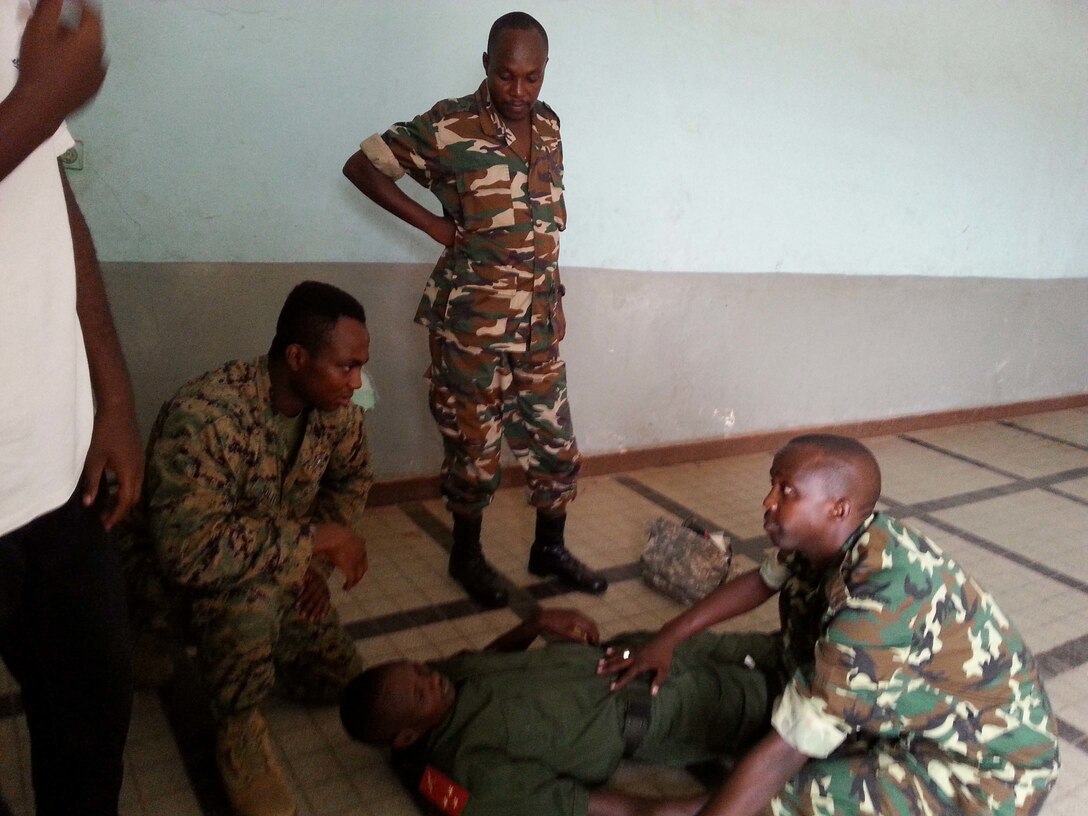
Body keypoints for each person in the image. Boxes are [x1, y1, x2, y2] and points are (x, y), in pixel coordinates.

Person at [600, 434, 1060, 816]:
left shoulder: (877, 603)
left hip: (985, 774)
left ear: (837, 508)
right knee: (719, 676)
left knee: (779, 798)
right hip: (897, 713)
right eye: (773, 485)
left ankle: (638, 809)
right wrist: (668, 638)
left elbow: (786, 750)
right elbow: (761, 582)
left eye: (787, 491)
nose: (768, 501)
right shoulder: (831, 535)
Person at [342, 11, 605, 609]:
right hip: (471, 326)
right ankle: (467, 556)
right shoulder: (449, 125)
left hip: (538, 324)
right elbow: (363, 166)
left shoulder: (552, 127)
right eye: (507, 75)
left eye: (531, 78)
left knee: (555, 445)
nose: (519, 91)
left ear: (544, 74)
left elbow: (542, 226)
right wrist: (436, 225)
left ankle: (549, 548)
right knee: (473, 448)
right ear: (487, 65)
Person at [120, 281, 373, 816]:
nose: (357, 382)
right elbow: (187, 553)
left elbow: (349, 483)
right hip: (169, 575)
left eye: (360, 368)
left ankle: (231, 651)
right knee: (249, 606)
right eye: (346, 367)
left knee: (337, 679)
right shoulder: (205, 414)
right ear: (297, 357)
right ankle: (236, 730)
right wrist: (311, 543)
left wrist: (312, 568)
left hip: (269, 556)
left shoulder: (338, 413)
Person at [0, 1, 143, 813]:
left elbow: (50, 201)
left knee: (90, 720)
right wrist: (34, 103)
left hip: (54, 472)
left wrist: (114, 400)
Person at [341, 608, 779, 816]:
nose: (433, 678)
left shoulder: (444, 684)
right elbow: (593, 806)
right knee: (780, 697)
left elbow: (478, 661)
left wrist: (531, 625)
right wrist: (695, 808)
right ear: (407, 736)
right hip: (662, 708)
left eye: (420, 669)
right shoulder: (465, 774)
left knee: (775, 647)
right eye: (421, 693)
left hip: (631, 649)